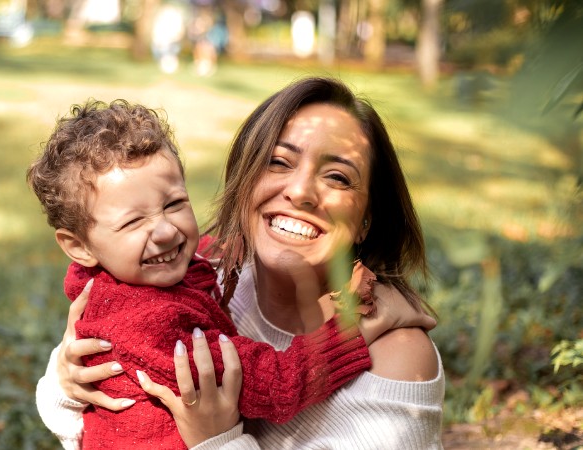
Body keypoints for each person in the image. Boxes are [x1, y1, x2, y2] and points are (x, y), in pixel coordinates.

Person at [35, 77, 445, 449]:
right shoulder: (180, 288)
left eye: (337, 176)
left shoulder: (398, 363)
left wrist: (214, 440)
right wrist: (66, 380)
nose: (301, 191)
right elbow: (72, 417)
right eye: (279, 161)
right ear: (245, 178)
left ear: (367, 218)